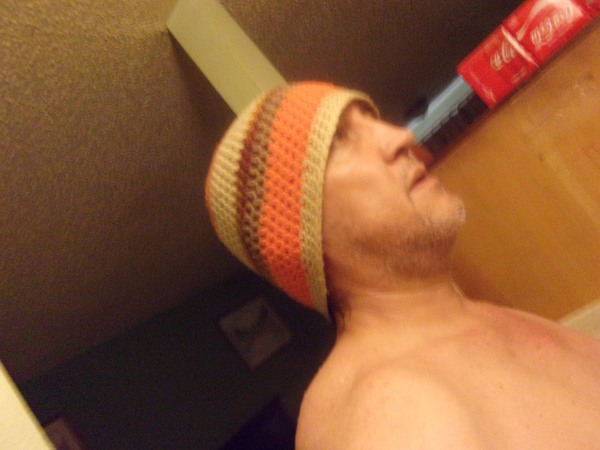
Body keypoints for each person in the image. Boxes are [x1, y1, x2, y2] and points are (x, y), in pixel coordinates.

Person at [205, 82, 600, 449]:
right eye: (338, 140)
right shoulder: (387, 415)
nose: (402, 136)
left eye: (371, 119)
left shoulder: (470, 322)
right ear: (298, 237)